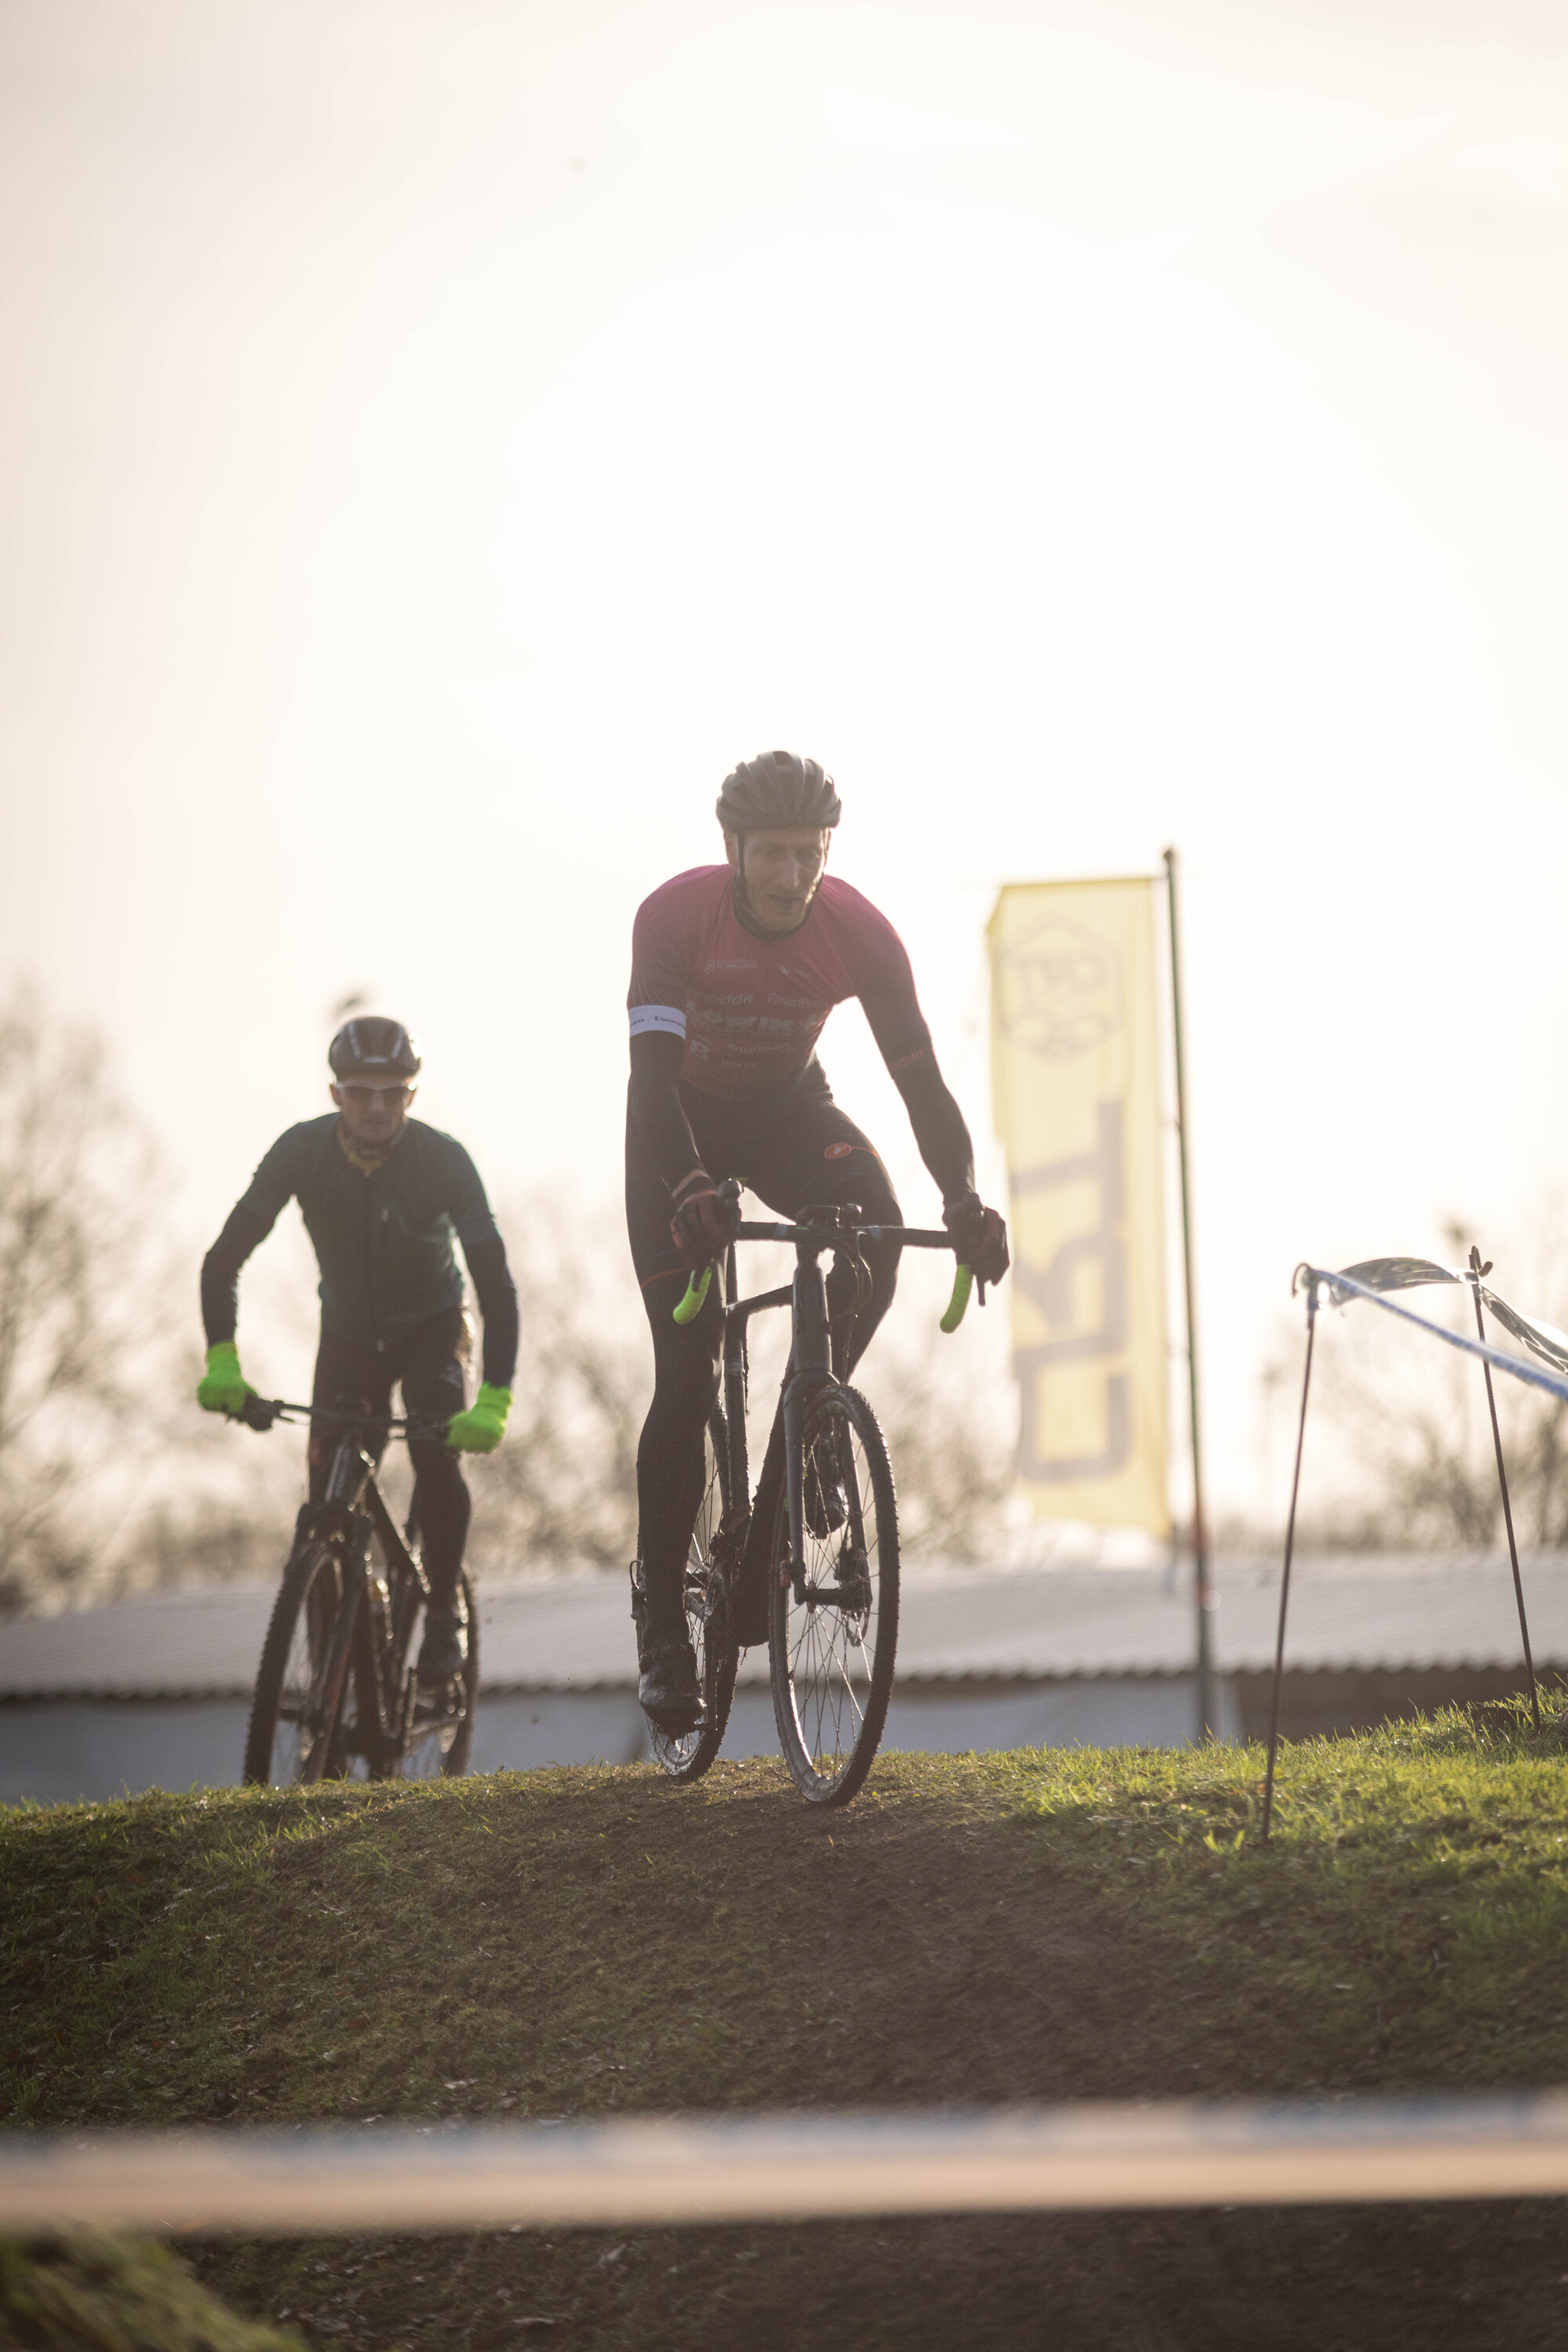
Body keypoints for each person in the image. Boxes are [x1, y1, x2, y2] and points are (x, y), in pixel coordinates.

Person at [626, 750, 1010, 1731]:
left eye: (809, 854)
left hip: (790, 1111)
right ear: (733, 851)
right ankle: (664, 1620)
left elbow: (920, 1081)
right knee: (687, 1363)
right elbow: (651, 1082)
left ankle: (804, 1436)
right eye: (772, 856)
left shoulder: (859, 934)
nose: (793, 876)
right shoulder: (674, 918)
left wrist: (961, 1197)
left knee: (871, 1235)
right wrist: (685, 1186)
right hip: (677, 1122)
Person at [195, 1018, 518, 1686]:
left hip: (433, 1328)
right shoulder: (301, 1151)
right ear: (335, 1093)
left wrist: (494, 1397)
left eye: (392, 1093)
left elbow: (496, 1285)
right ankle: (335, 1680)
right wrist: (223, 1361)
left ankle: (440, 1622)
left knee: (435, 1453)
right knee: (326, 1505)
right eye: (361, 1092)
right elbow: (222, 1261)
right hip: (347, 1336)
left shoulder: (444, 1160)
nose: (376, 1107)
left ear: (411, 1096)